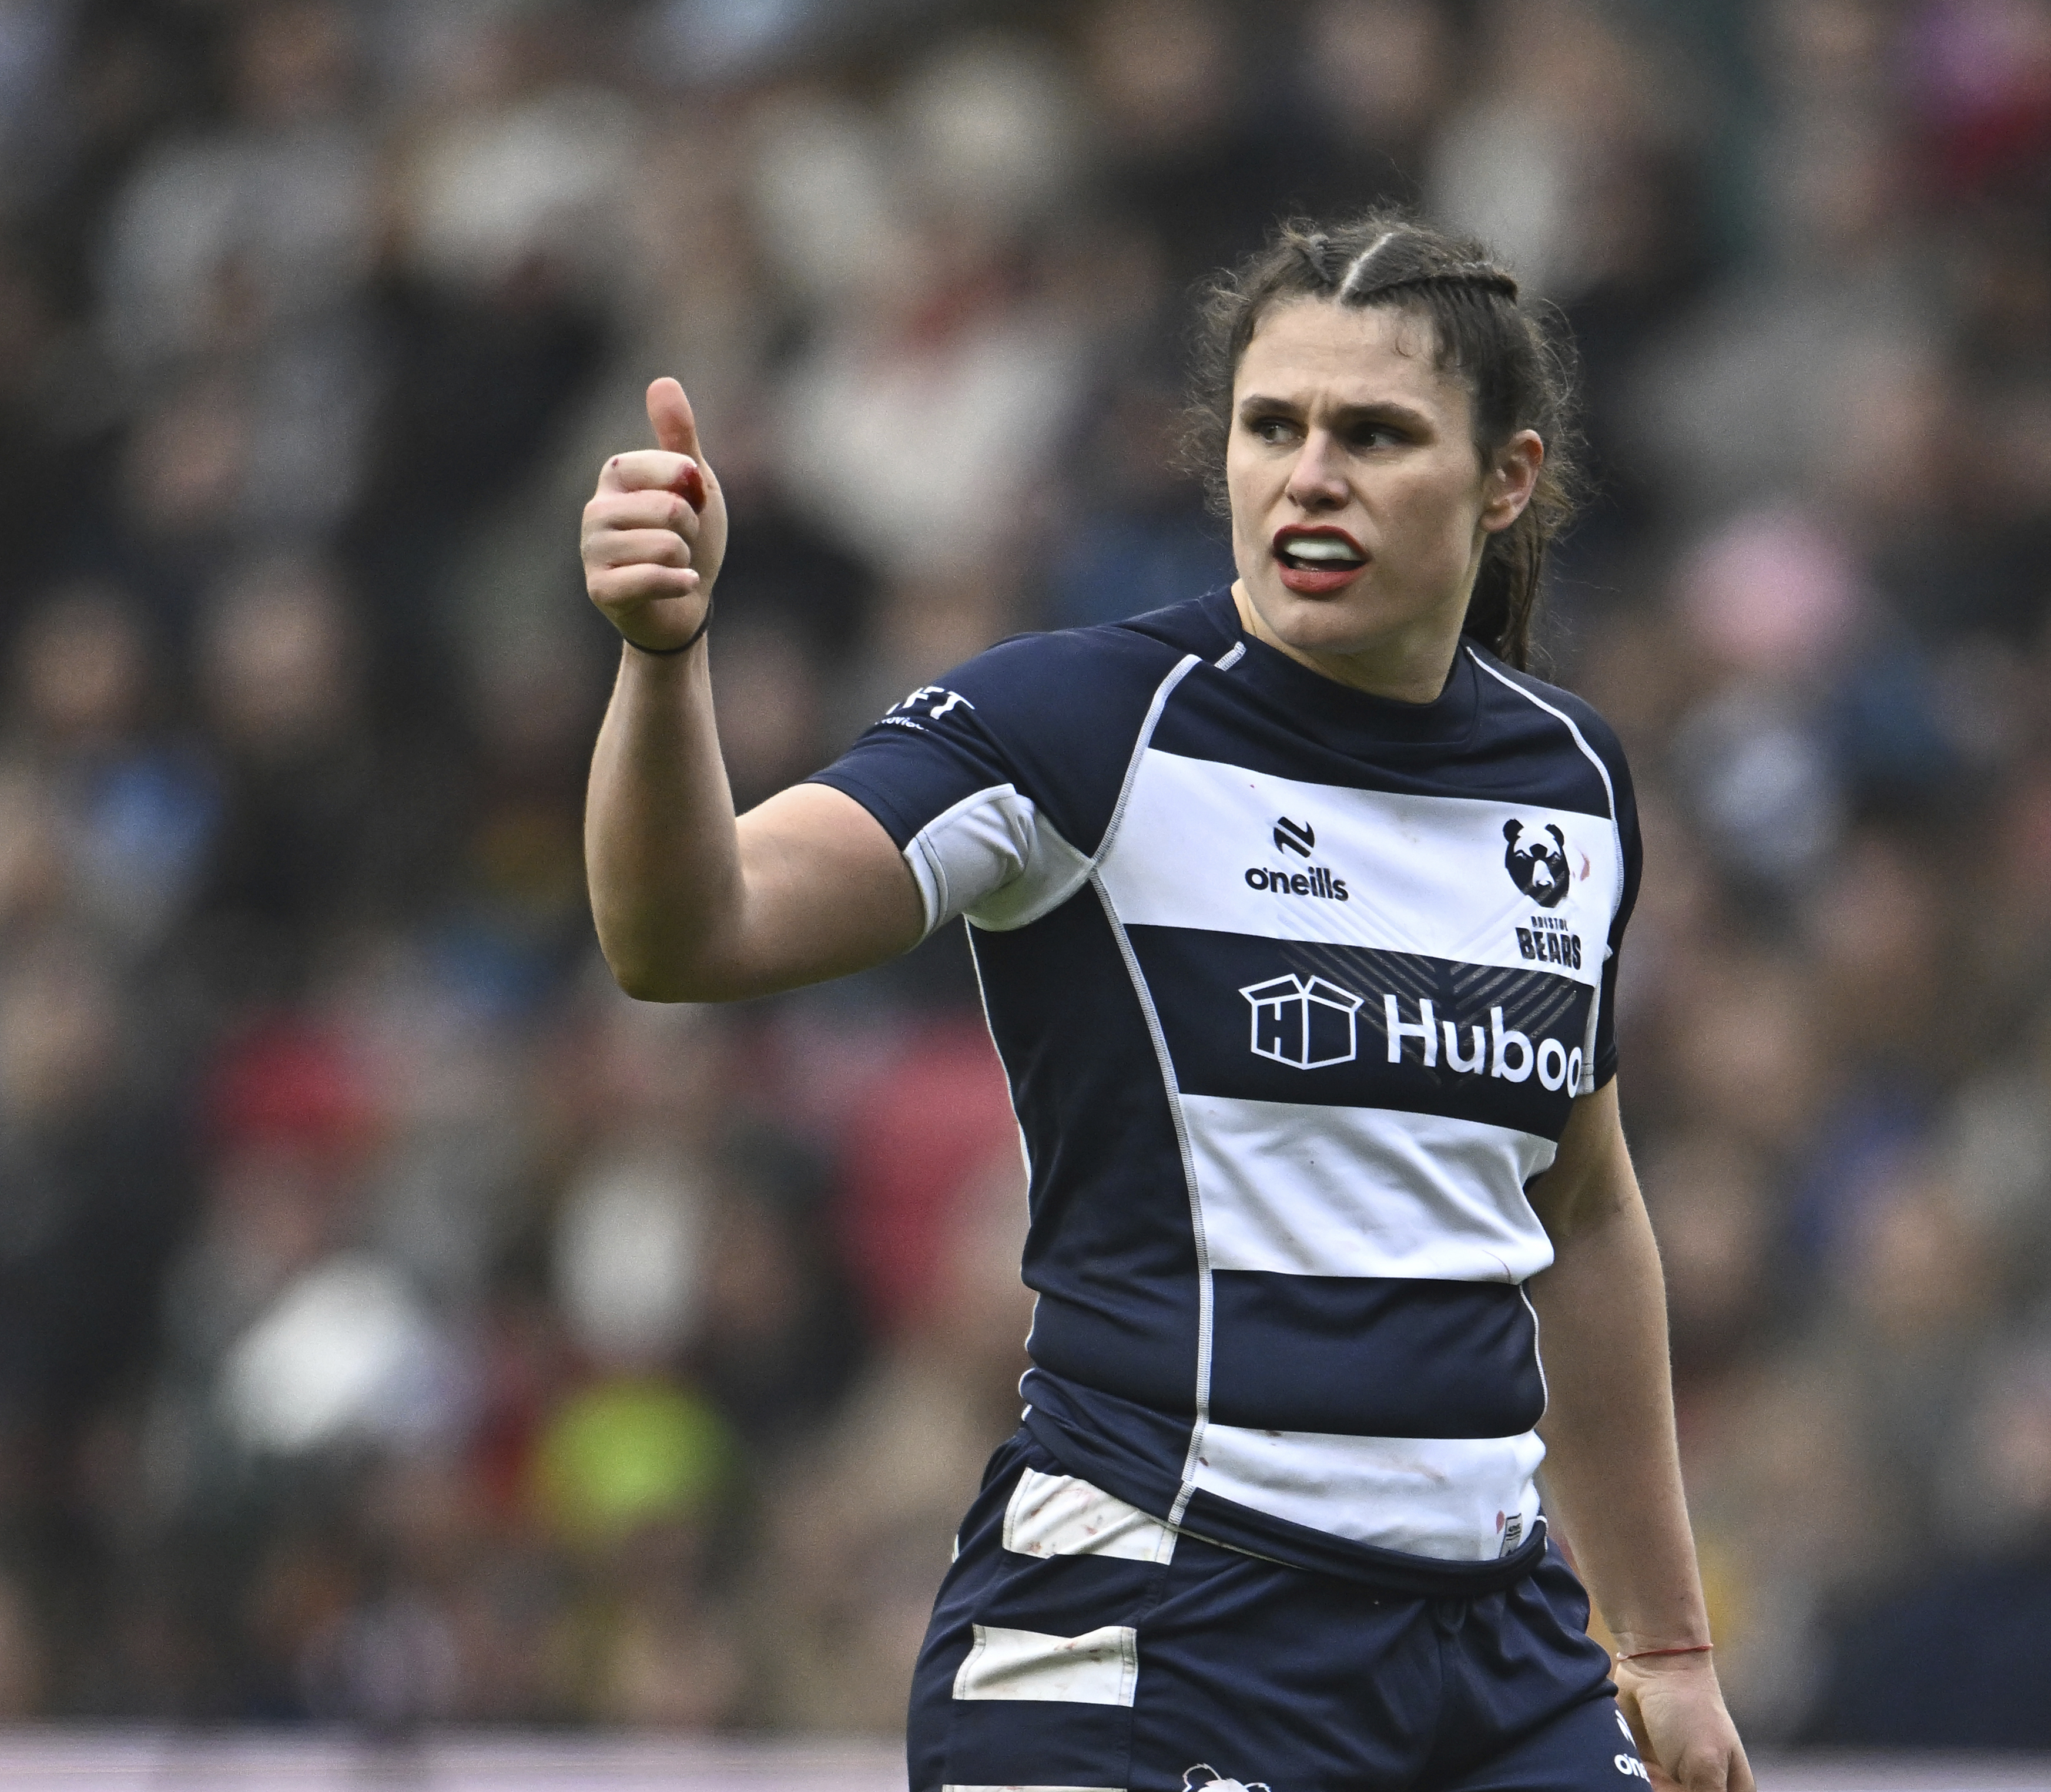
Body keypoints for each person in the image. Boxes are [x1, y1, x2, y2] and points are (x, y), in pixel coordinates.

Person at [578, 212, 1754, 1792]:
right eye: (1274, 428)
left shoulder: (1572, 779)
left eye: (1375, 434)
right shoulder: (1079, 726)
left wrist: (1666, 1644)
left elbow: (1585, 1209)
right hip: (1153, 1622)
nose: (1310, 476)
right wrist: (663, 663)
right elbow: (690, 930)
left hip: (1496, 1657)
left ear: (1506, 478)